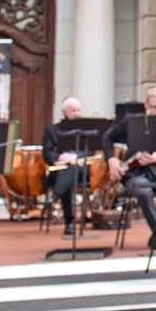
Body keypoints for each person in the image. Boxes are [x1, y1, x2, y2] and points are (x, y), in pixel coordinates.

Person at [105, 85, 156, 240]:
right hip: (135, 174)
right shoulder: (131, 121)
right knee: (144, 191)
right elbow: (107, 137)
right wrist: (112, 160)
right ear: (146, 105)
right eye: (154, 107)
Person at [43, 98, 92, 236]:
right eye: (73, 111)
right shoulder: (52, 130)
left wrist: (76, 157)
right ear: (64, 112)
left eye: (78, 110)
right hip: (60, 170)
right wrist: (60, 157)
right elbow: (46, 153)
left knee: (70, 171)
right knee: (68, 173)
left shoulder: (85, 130)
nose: (76, 113)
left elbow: (91, 150)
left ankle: (56, 198)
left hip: (84, 170)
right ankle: (69, 222)